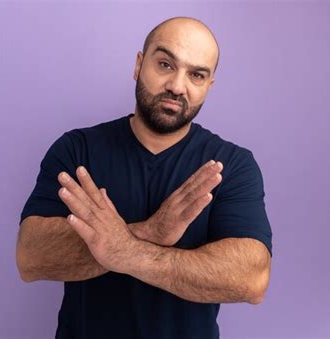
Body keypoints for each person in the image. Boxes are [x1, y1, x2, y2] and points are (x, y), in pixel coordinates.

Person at [16, 16, 273, 339]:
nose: (177, 86)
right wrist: (150, 231)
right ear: (139, 64)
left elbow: (250, 279)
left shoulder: (231, 165)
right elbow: (31, 257)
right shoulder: (78, 149)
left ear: (209, 86)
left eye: (196, 75)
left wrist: (125, 250)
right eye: (165, 64)